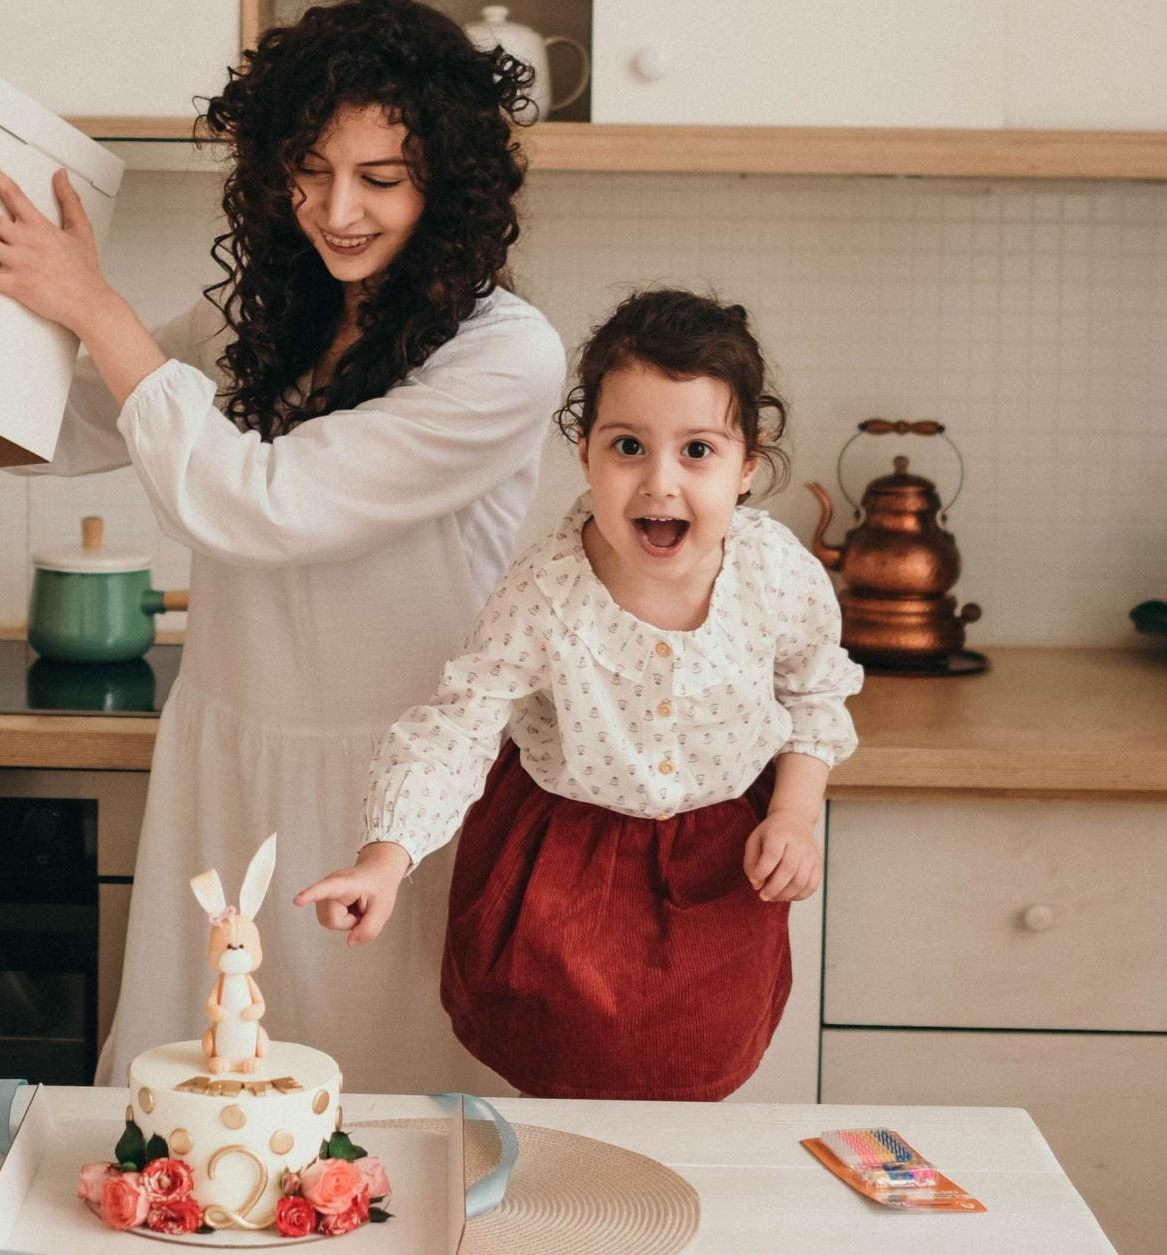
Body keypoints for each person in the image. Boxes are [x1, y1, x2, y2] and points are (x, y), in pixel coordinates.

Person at [0, 0, 565, 1090]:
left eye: (380, 178)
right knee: (196, 1109)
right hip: (225, 760)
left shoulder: (503, 355)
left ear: (448, 183)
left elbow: (260, 502)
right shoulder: (264, 321)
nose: (337, 210)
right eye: (309, 171)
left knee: (376, 1128)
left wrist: (99, 308)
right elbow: (85, 416)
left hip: (393, 795)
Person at [299, 288, 862, 1100]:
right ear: (584, 450)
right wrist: (385, 861)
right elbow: (458, 728)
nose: (659, 483)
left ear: (748, 463)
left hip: (717, 868)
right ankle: (575, 1216)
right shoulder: (544, 592)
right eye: (628, 445)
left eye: (698, 450)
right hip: (564, 871)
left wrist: (794, 817)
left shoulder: (778, 575)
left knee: (692, 1077)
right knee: (564, 1087)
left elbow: (814, 696)